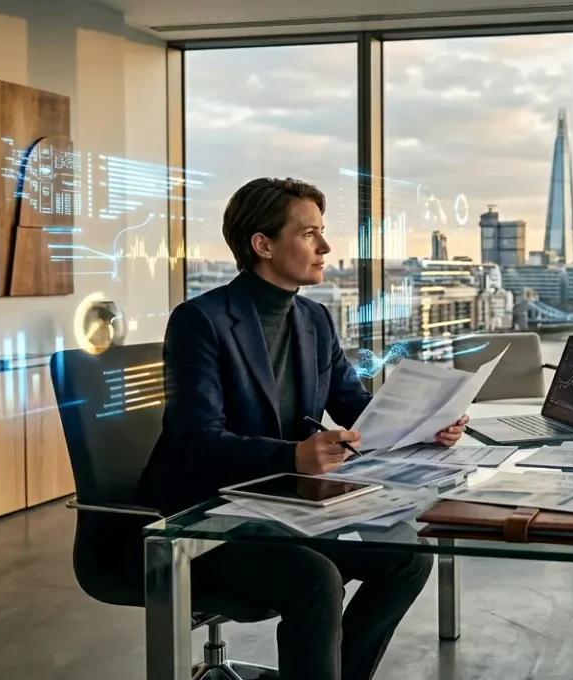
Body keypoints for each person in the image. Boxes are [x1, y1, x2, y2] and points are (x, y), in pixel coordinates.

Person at [136, 177, 466, 679]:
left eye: (322, 232)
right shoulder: (199, 321)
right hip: (209, 517)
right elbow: (195, 439)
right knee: (315, 578)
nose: (326, 247)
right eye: (309, 233)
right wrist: (289, 457)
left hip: (286, 505)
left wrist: (426, 424)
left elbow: (354, 406)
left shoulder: (314, 318)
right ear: (263, 245)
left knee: (407, 557)